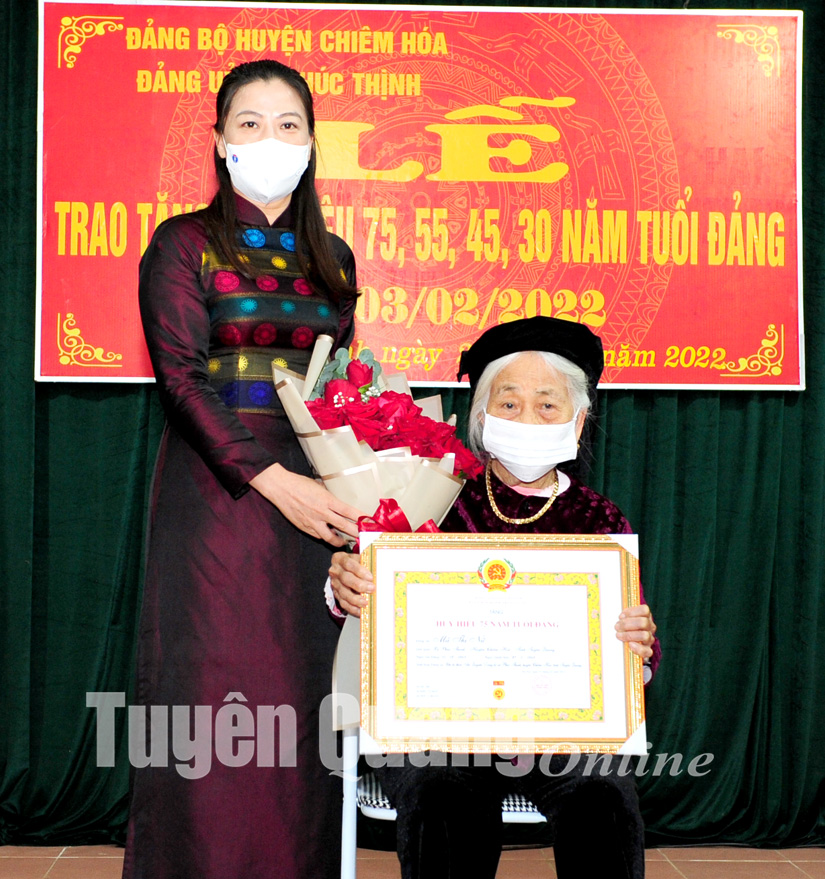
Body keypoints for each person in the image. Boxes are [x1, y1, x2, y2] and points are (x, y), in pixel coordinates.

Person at [123, 60, 364, 879]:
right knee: (212, 697)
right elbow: (181, 382)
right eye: (250, 123)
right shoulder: (183, 243)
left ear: (312, 141)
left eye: (288, 124)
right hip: (217, 492)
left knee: (300, 701)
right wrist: (273, 480)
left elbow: (335, 391)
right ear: (221, 140)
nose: (270, 139)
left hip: (316, 501)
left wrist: (342, 483)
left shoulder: (334, 259)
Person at [329, 316, 661, 879]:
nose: (527, 418)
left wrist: (638, 647)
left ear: (579, 421)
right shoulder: (434, 499)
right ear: (481, 418)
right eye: (508, 403)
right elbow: (369, 613)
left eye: (548, 405)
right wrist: (348, 586)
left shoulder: (600, 522)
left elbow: (637, 658)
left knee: (601, 799)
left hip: (561, 731)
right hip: (438, 729)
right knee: (442, 797)